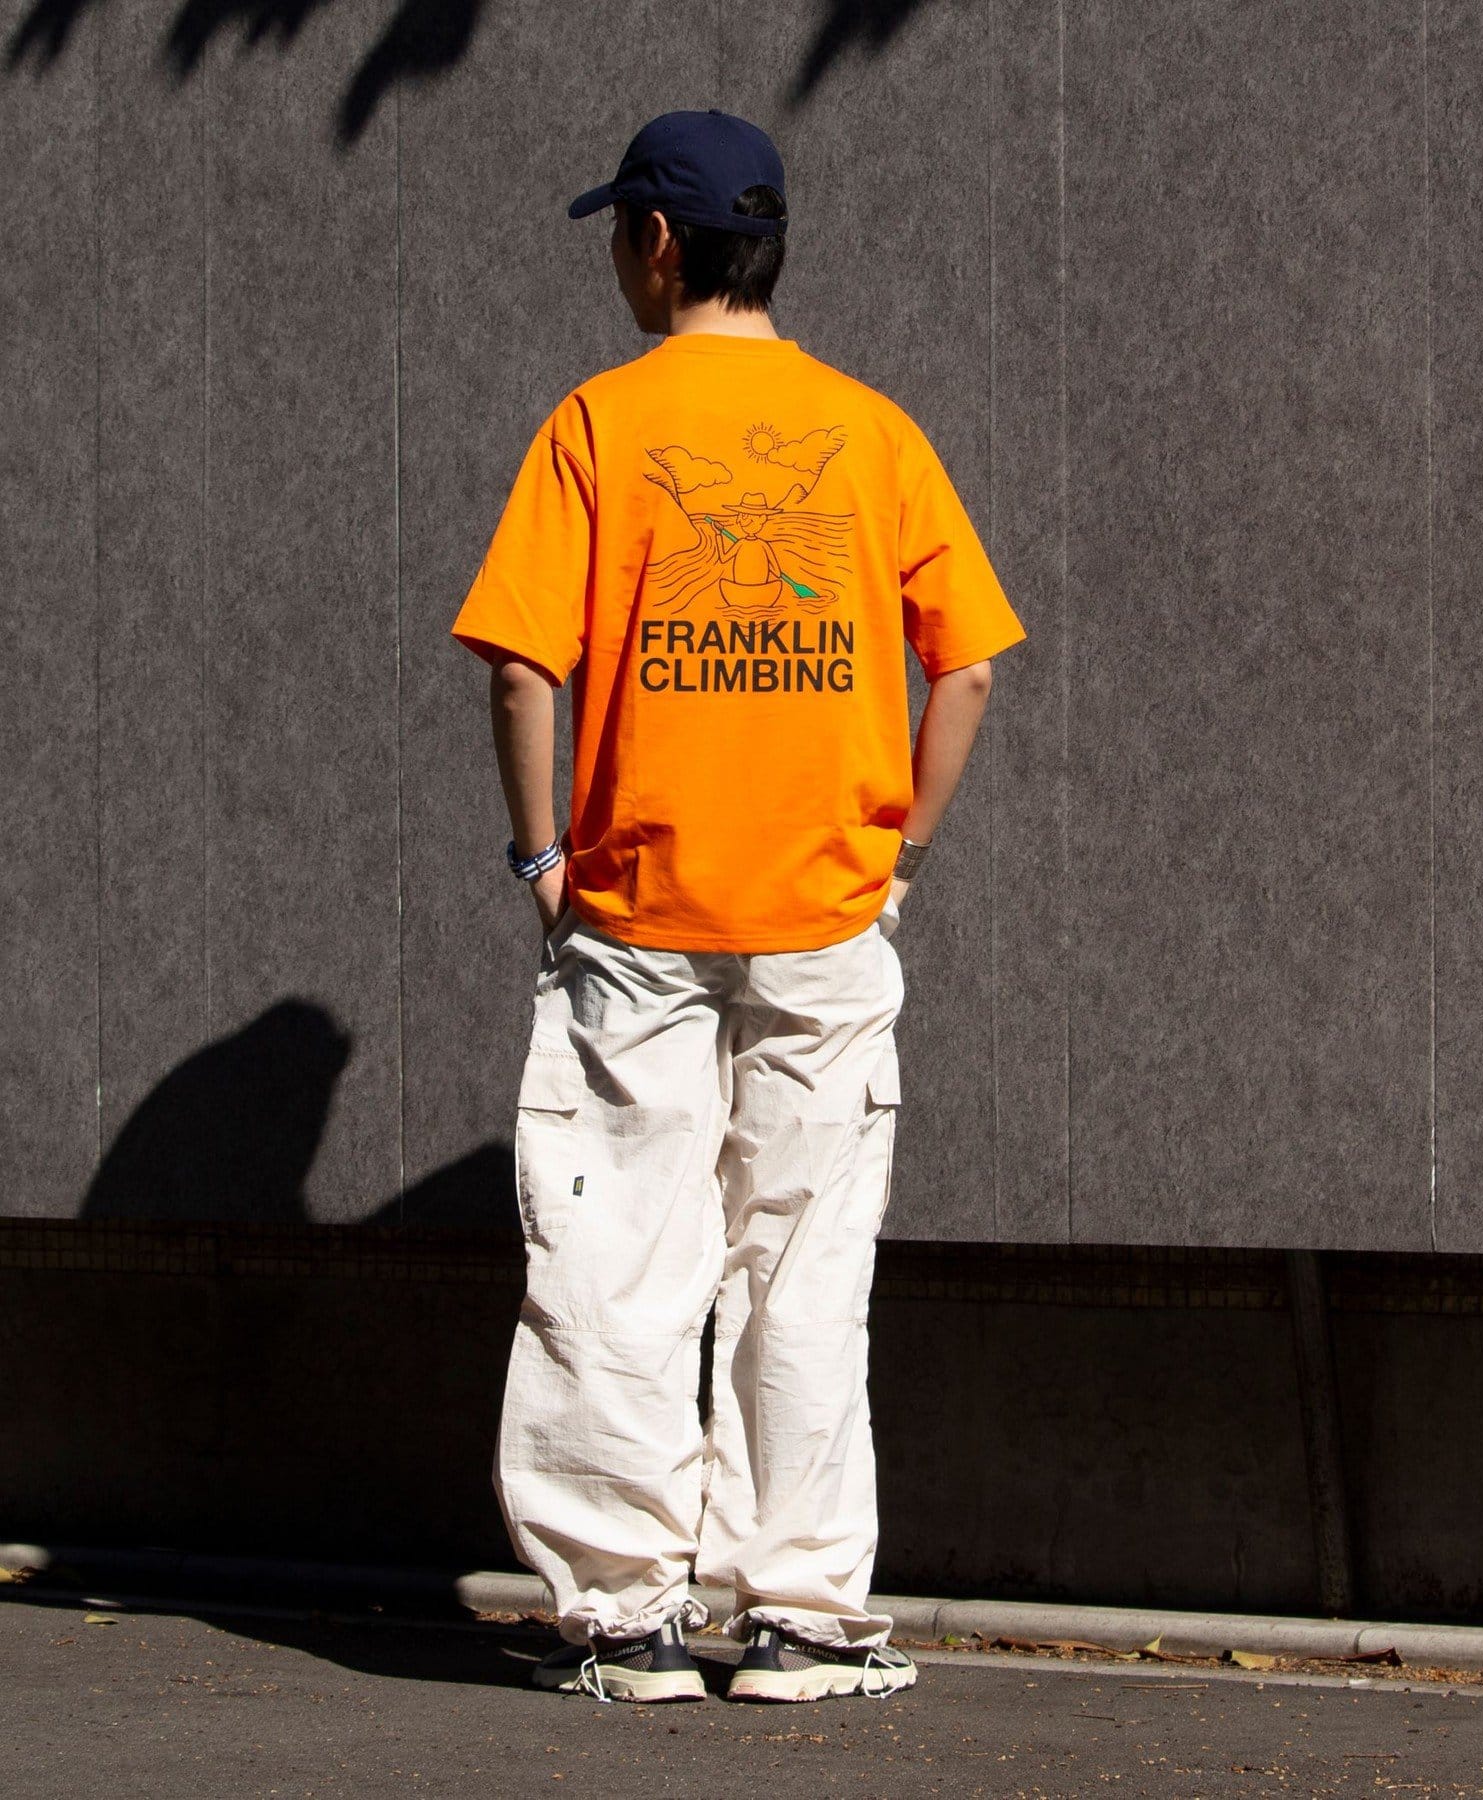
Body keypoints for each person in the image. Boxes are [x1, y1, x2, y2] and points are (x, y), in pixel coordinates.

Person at [450, 108, 1026, 1705]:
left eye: (618, 234)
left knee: (616, 1265)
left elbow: (523, 668)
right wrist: (900, 854)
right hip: (827, 922)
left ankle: (624, 1625)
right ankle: (801, 1622)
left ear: (655, 244)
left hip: (635, 923)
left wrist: (540, 861)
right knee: (803, 1271)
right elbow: (969, 667)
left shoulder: (597, 423)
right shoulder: (875, 432)